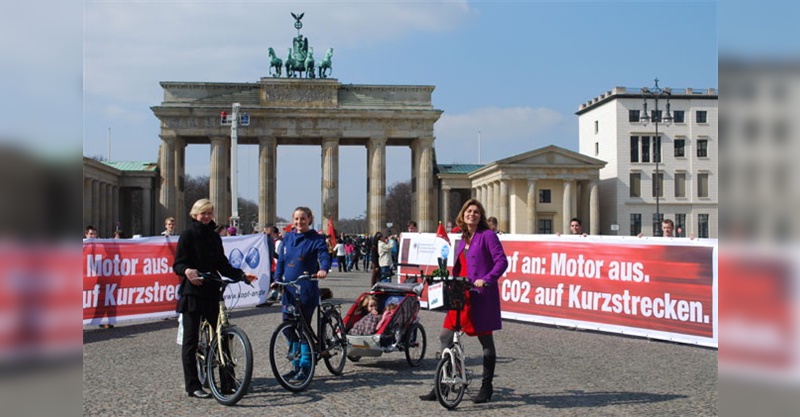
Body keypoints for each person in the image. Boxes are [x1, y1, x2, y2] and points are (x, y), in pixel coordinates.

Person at [420, 198, 509, 404]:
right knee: (445, 335)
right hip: (461, 293)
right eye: (469, 211)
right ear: (463, 214)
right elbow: (459, 267)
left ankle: (487, 387)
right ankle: (442, 383)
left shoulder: (488, 236)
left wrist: (486, 280)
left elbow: (502, 261)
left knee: (485, 341)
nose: (472, 214)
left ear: (481, 216)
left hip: (481, 295)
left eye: (476, 212)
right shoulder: (462, 238)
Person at [172, 198, 257, 399]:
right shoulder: (187, 235)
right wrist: (187, 271)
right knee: (190, 341)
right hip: (193, 291)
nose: (207, 216)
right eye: (203, 213)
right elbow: (178, 264)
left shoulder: (215, 237)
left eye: (210, 212)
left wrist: (242, 276)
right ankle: (192, 385)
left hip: (212, 289)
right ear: (195, 214)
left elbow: (223, 264)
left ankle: (227, 382)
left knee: (223, 336)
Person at [271, 206, 331, 383]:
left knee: (302, 328)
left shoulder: (316, 238)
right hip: (289, 289)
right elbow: (281, 261)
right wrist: (276, 279)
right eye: (296, 219)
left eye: (303, 219)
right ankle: (295, 364)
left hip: (306, 288)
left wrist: (323, 269)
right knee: (288, 327)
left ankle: (305, 366)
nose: (299, 222)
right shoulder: (287, 238)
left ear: (310, 219)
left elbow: (324, 255)